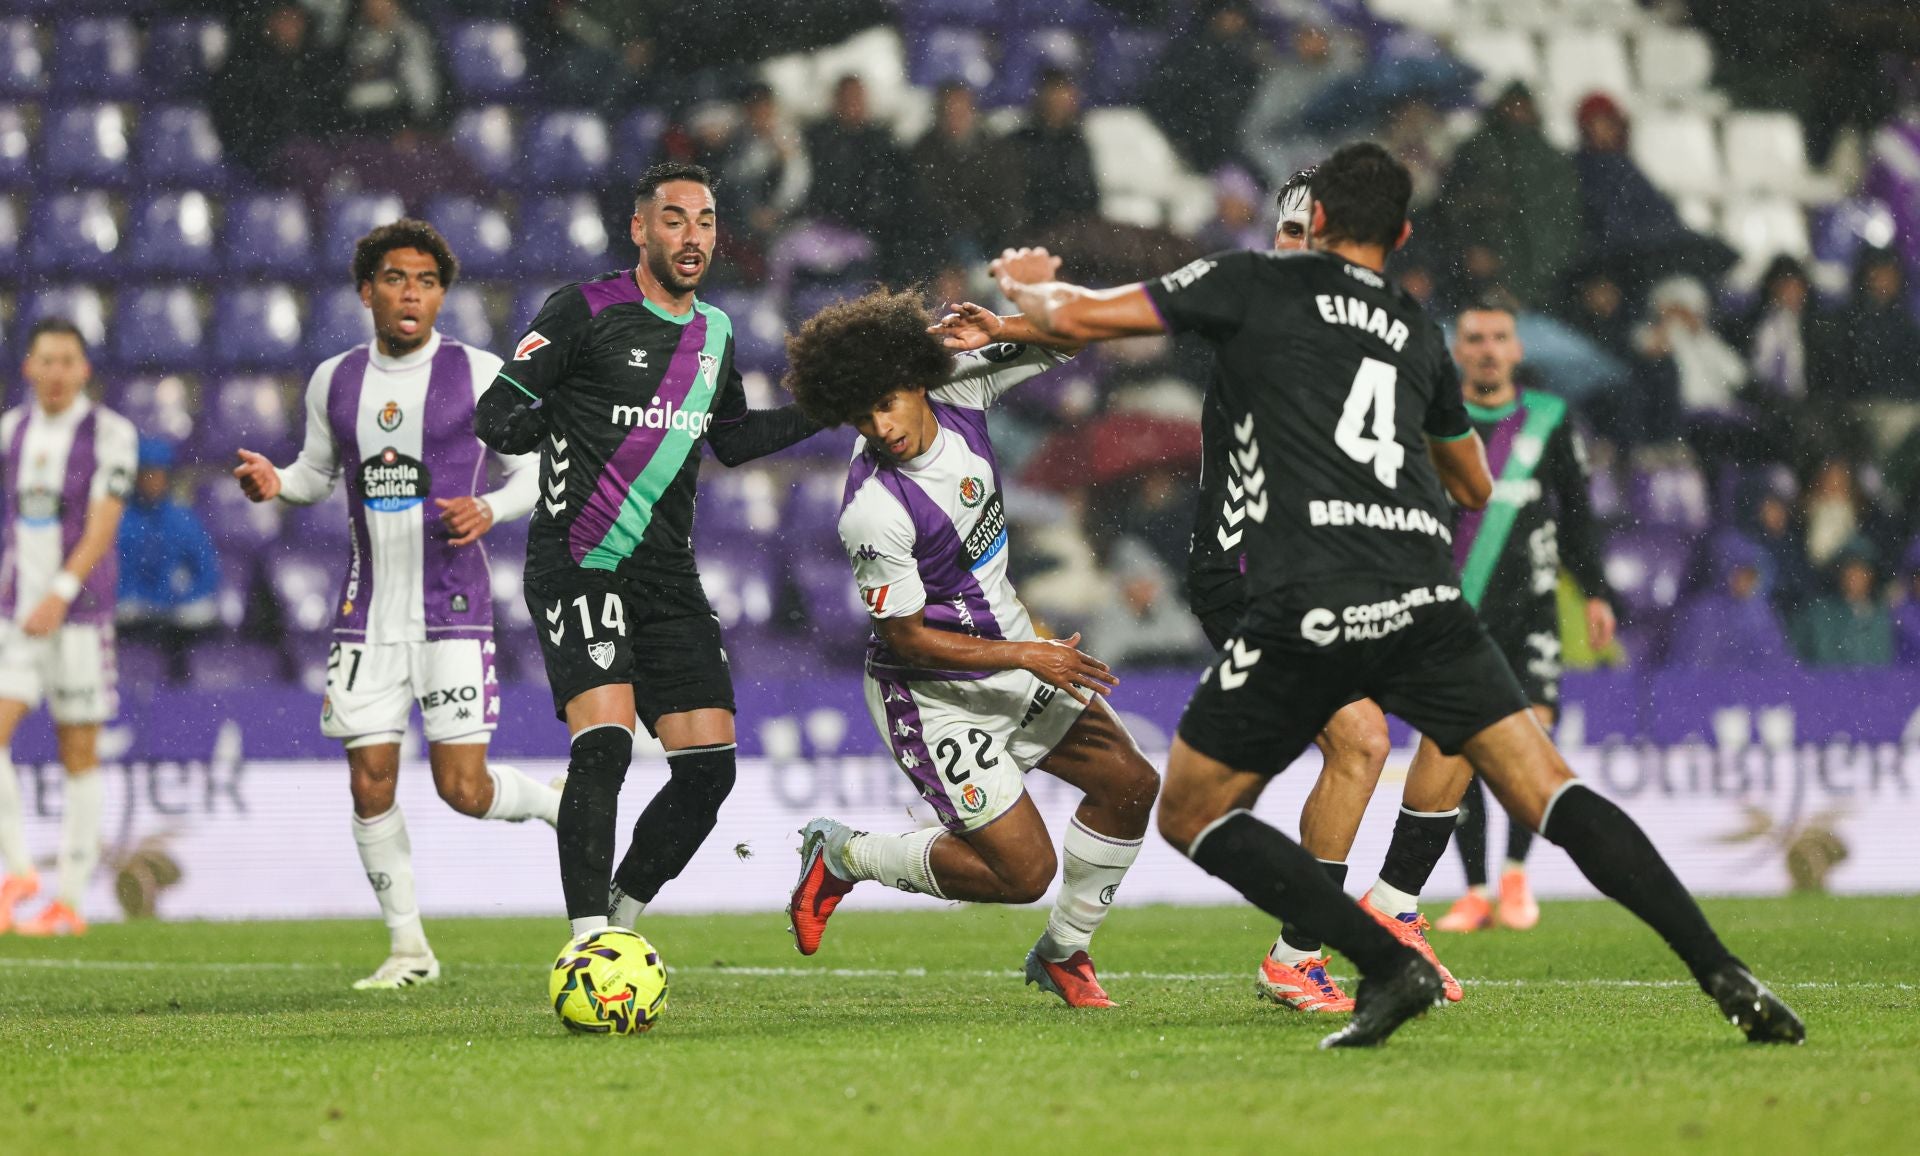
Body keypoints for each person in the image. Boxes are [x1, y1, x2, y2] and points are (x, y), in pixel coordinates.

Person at [993, 141, 1803, 1048]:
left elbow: (1086, 317)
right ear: (1405, 234)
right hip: (1421, 590)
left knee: (1195, 807)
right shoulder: (1416, 325)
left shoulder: (1258, 283)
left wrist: (1031, 291)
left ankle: (1366, 954)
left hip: (1312, 594)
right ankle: (1722, 970)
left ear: (1320, 226)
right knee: (1542, 785)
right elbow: (1471, 484)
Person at [779, 286, 1160, 1007]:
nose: (881, 426)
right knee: (1022, 876)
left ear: (916, 377)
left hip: (1011, 648)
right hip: (930, 695)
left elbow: (1072, 338)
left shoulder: (961, 382)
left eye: (887, 401)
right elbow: (910, 639)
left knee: (1130, 785)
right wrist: (1029, 656)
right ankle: (844, 854)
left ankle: (1064, 953)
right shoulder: (874, 511)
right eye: (862, 416)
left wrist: (1005, 327)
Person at [473, 162, 820, 940]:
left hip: (666, 572)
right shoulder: (583, 309)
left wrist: (822, 410)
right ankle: (588, 942)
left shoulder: (718, 334)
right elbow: (498, 414)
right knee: (604, 747)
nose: (692, 236)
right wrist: (551, 416)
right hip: (580, 556)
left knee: (708, 773)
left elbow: (732, 441)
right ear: (639, 229)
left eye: (704, 221)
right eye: (674, 219)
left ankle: (624, 921)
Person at [232, 220, 557, 989]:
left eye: (425, 280)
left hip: (454, 608)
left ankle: (547, 802)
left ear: (441, 294)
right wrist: (278, 483)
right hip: (366, 614)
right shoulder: (333, 381)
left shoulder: (480, 374)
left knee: (463, 791)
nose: (410, 292)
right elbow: (318, 472)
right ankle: (409, 950)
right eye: (394, 278)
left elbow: (538, 471)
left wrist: (492, 511)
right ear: (366, 290)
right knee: (369, 779)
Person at [1425, 295, 1618, 935]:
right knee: (1460, 750)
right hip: (1457, 614)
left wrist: (1595, 593)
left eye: (1497, 338)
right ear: (1458, 350)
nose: (1485, 348)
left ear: (1517, 349)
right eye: (1474, 337)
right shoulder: (1436, 421)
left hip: (1531, 612)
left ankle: (1514, 874)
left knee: (1528, 743)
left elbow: (1578, 515)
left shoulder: (1547, 419)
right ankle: (1475, 889)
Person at [0, 319, 138, 937]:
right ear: (28, 366)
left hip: (78, 617)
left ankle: (71, 903)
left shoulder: (110, 433)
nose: (56, 373)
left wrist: (59, 592)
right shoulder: (10, 433)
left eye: (67, 362)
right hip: (15, 615)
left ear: (84, 370)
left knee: (77, 753)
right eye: (46, 361)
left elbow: (101, 526)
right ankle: (20, 873)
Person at [116, 436, 220, 684]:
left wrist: (183, 596)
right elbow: (107, 571)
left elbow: (208, 571)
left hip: (175, 609)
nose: (152, 481)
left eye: (158, 474)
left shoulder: (182, 517)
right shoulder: (121, 518)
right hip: (133, 608)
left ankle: (182, 682)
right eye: (146, 474)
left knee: (199, 613)